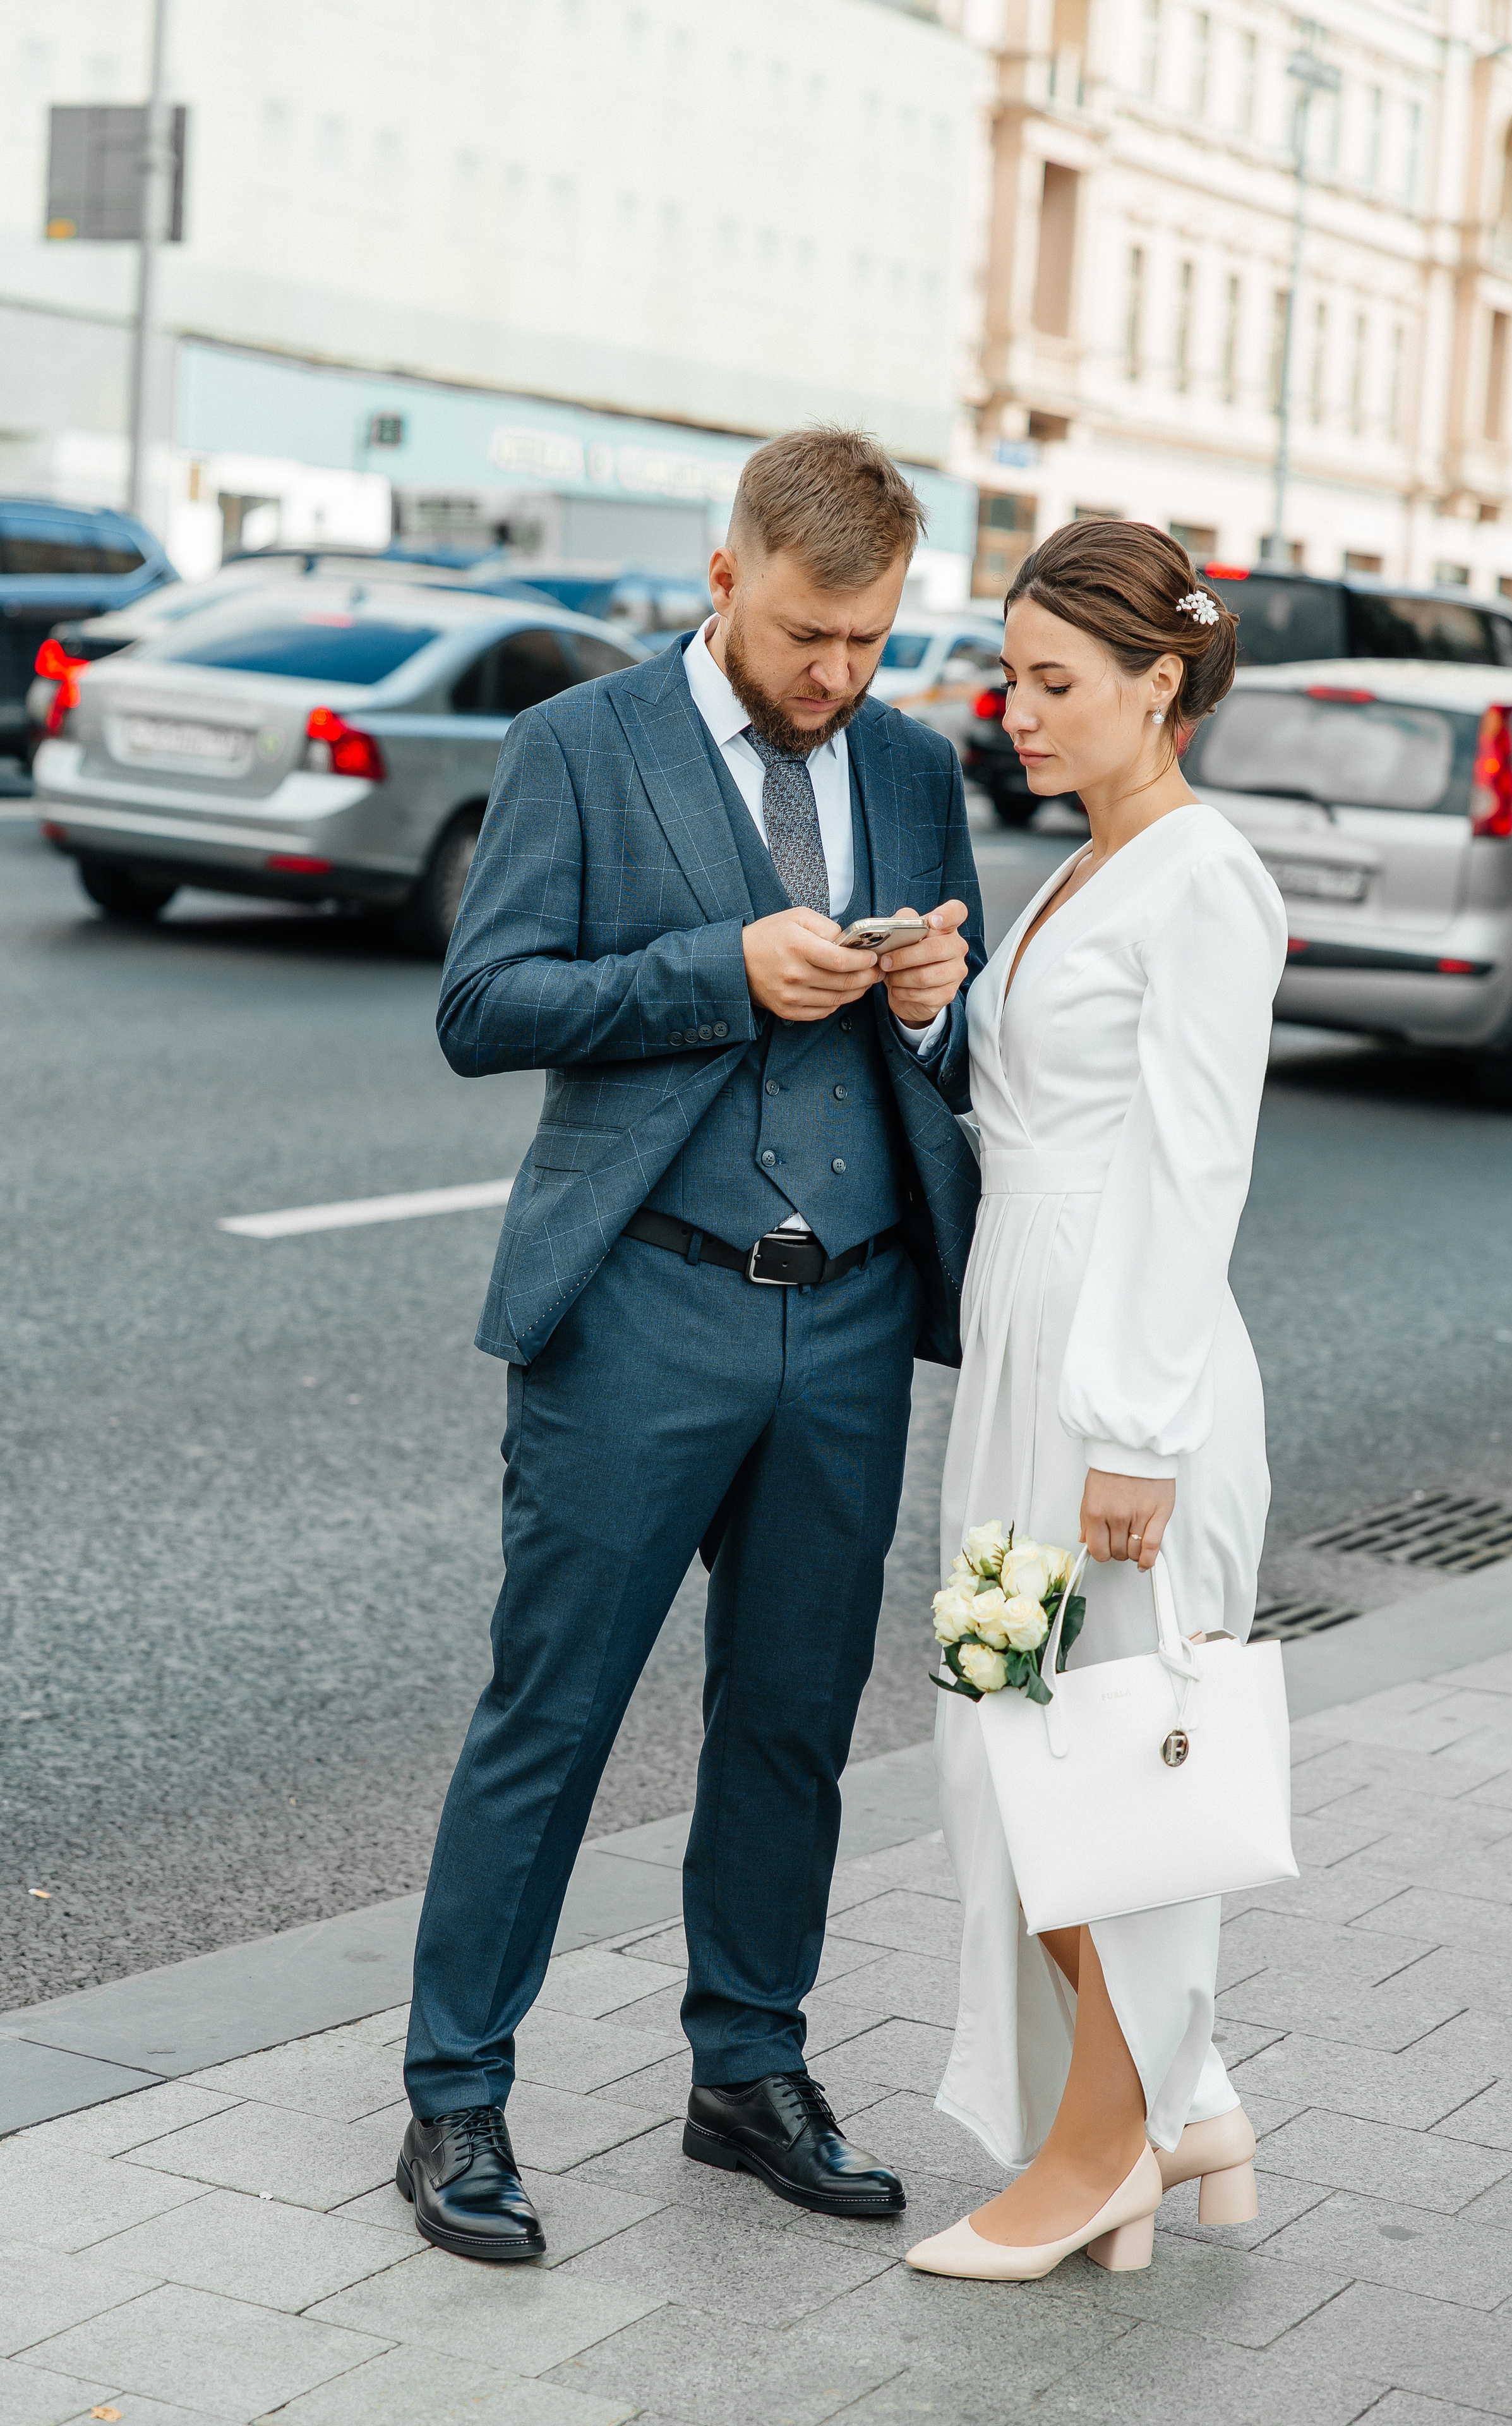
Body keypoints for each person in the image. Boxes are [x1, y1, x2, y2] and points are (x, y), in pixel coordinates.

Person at [396, 427, 985, 2262]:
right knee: (550, 1714)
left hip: (858, 1307)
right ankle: (456, 2101)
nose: (837, 677)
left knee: (794, 1723)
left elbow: (951, 1072)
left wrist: (937, 1004)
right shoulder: (580, 745)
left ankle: (748, 2070)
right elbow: (482, 1007)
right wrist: (717, 969)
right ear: (727, 578)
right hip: (644, 1301)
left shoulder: (911, 762)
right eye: (810, 633)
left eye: (869, 641)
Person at [904, 519, 1287, 2283]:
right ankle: (1180, 2100)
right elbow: (1043, 1109)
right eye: (1013, 675)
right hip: (1029, 1349)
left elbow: (1194, 1162)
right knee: (1012, 1750)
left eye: (1058, 683)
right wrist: (936, 1010)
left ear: (1163, 683)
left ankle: (1101, 2154)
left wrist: (1134, 1427)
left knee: (1104, 1770)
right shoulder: (1085, 868)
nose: (1020, 712)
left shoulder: (1203, 876)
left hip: (1123, 1378)